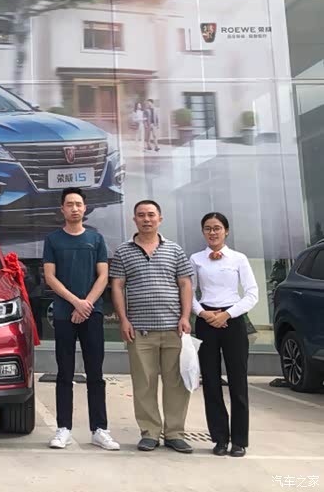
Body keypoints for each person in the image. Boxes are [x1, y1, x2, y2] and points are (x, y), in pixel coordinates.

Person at [110, 200, 194, 453]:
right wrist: (123, 319)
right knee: (144, 384)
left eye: (151, 215)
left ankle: (175, 433)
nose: (146, 219)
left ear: (160, 218)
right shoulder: (123, 251)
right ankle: (150, 432)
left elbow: (185, 284)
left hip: (174, 329)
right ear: (134, 219)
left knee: (176, 383)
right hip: (139, 330)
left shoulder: (174, 250)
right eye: (141, 215)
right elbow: (117, 286)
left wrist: (185, 316)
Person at [43, 187, 120, 451]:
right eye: (69, 204)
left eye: (78, 204)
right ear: (62, 209)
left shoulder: (95, 239)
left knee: (95, 372)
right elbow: (50, 277)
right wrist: (76, 302)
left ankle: (100, 429)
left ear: (85, 208)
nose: (74, 208)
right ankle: (63, 428)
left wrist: (86, 304)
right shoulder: (53, 240)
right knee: (65, 372)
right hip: (64, 314)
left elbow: (103, 276)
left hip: (92, 314)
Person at [190, 212, 258, 458]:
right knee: (210, 381)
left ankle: (239, 440)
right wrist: (202, 313)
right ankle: (219, 438)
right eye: (208, 228)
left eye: (217, 228)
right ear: (203, 232)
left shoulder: (239, 258)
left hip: (233, 319)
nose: (213, 232)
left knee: (238, 381)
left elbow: (252, 293)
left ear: (226, 231)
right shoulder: (196, 259)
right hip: (206, 320)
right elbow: (189, 292)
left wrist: (228, 314)